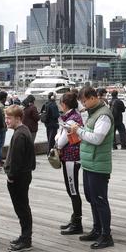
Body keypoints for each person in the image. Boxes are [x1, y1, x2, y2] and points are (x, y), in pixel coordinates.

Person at [70, 86, 115, 249]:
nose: (83, 105)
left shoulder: (103, 115)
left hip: (98, 165)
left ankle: (106, 235)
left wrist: (79, 131)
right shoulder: (93, 113)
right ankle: (97, 229)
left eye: (84, 102)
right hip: (90, 163)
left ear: (92, 98)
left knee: (100, 200)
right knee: (92, 198)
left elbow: (97, 139)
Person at [4, 105, 37, 252]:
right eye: (6, 117)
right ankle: (25, 236)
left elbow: (16, 160)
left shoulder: (19, 135)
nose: (6, 120)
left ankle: (26, 239)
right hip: (24, 174)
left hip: (19, 177)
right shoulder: (24, 131)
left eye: (9, 118)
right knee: (23, 207)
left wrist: (11, 177)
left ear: (18, 118)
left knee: (22, 207)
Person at [54, 92, 83, 235]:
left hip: (71, 158)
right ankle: (75, 219)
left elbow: (60, 141)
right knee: (72, 189)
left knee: (72, 189)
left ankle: (77, 222)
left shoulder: (71, 121)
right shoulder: (74, 117)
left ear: (64, 104)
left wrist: (57, 140)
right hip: (72, 158)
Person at [0, 91, 9, 168]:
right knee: (0, 144)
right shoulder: (1, 106)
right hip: (1, 128)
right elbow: (3, 118)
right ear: (4, 98)